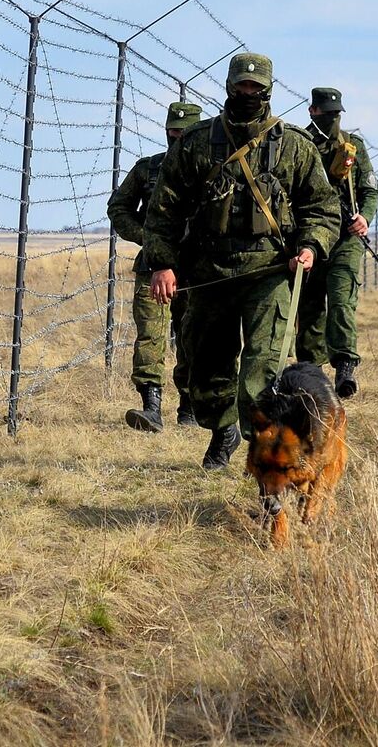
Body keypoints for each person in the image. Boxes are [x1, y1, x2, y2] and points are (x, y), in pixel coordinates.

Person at [139, 54, 342, 470]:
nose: (248, 94)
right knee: (206, 373)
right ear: (230, 85)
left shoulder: (294, 145)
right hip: (208, 272)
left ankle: (266, 461)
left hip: (269, 273)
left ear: (268, 89)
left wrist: (310, 246)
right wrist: (163, 263)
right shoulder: (196, 144)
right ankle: (223, 428)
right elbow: (164, 211)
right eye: (242, 86)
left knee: (260, 372)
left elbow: (322, 208)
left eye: (256, 88)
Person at [107, 101, 204, 433]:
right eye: (171, 132)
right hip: (152, 269)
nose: (176, 138)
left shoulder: (210, 171)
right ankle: (151, 407)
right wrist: (146, 238)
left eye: (183, 133)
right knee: (151, 336)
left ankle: (189, 407)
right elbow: (119, 207)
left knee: (193, 338)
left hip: (196, 271)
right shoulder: (148, 169)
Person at [295, 87, 378, 398]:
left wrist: (365, 217)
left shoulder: (353, 146)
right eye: (326, 113)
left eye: (336, 114)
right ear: (312, 111)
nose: (332, 118)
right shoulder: (299, 144)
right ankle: (311, 371)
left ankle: (344, 366)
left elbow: (370, 190)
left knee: (341, 301)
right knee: (310, 305)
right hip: (310, 238)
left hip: (345, 239)